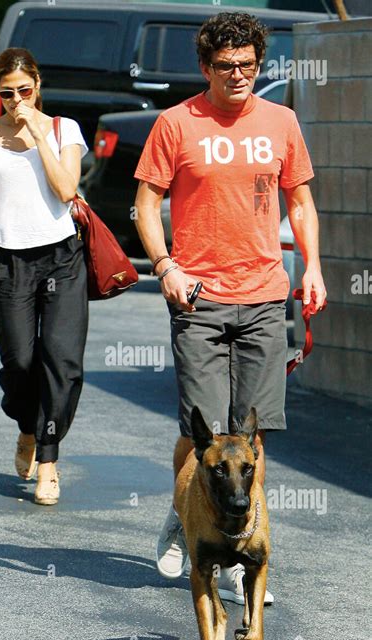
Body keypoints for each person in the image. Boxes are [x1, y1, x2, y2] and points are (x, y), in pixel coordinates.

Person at [134, 12, 327, 603]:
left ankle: (244, 557)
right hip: (200, 298)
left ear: (259, 64)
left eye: (248, 65)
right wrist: (166, 267)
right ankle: (183, 514)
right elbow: (145, 205)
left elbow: (301, 201)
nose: (239, 75)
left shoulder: (282, 121)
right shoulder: (176, 123)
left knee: (255, 435)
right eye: (226, 66)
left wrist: (313, 266)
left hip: (266, 294)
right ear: (206, 68)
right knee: (204, 434)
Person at [0, 47, 89, 506]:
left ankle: (48, 461)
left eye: (24, 91)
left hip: (62, 259)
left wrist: (38, 130)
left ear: (38, 85)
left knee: (62, 362)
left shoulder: (63, 129)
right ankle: (27, 428)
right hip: (9, 261)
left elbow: (67, 189)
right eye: (7, 93)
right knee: (20, 365)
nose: (16, 100)